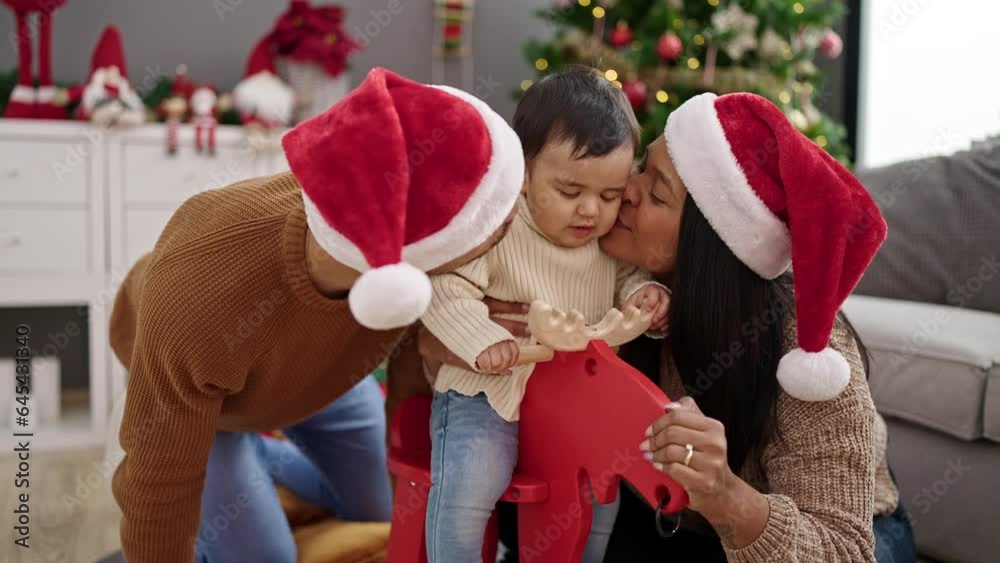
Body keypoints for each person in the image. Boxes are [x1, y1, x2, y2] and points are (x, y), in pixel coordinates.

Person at [415, 92, 917, 562]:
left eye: (655, 193)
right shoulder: (593, 264)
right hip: (667, 515)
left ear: (706, 243)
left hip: (820, 538)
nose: (622, 191)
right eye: (639, 168)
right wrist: (456, 337)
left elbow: (845, 548)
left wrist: (726, 496)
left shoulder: (808, 353)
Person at [105, 67, 526, 563]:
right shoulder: (198, 292)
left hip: (319, 374)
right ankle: (234, 457)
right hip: (207, 401)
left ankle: (262, 459)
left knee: (380, 511)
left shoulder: (420, 266)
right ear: (413, 260)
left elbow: (410, 386)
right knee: (266, 558)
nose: (515, 225)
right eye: (499, 224)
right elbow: (156, 488)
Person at [420, 68, 670, 563]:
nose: (590, 211)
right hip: (489, 393)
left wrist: (648, 296)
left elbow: (630, 279)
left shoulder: (606, 241)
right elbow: (445, 286)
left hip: (574, 406)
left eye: (609, 195)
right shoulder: (499, 225)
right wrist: (481, 338)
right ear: (523, 171)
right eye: (570, 191)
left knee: (600, 494)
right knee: (471, 486)